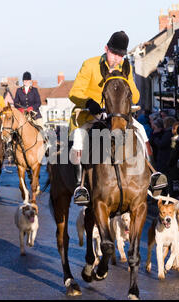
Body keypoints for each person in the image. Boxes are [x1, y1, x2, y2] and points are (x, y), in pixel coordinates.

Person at [68, 31, 167, 204]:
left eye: (121, 55)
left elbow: (135, 97)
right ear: (106, 49)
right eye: (114, 53)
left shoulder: (124, 68)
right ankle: (81, 186)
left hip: (118, 115)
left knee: (142, 131)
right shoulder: (89, 65)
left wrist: (126, 82)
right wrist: (88, 102)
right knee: (78, 138)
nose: (116, 59)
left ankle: (153, 174)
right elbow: (74, 93)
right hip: (91, 115)